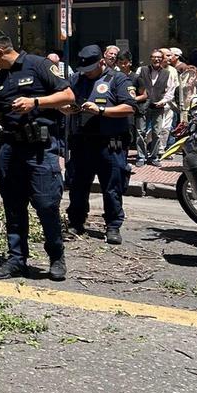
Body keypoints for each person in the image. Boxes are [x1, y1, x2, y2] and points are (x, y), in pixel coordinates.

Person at [0, 31, 74, 281]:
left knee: (46, 205)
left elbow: (68, 96)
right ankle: (16, 259)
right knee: (13, 206)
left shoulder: (39, 65)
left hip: (39, 149)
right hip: (9, 149)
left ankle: (56, 257)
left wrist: (35, 102)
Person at [62, 45, 138, 244]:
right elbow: (63, 97)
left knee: (112, 187)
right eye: (84, 70)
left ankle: (113, 226)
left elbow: (129, 108)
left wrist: (101, 110)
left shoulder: (118, 79)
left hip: (109, 144)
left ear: (102, 63)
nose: (86, 74)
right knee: (78, 186)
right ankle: (76, 222)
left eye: (90, 70)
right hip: (82, 143)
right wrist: (66, 108)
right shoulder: (77, 79)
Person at [135, 49, 175, 166]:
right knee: (140, 131)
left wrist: (163, 101)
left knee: (157, 132)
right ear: (150, 58)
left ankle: (154, 157)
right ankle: (141, 156)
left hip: (158, 106)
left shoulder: (167, 73)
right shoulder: (141, 70)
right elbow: (135, 84)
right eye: (154, 57)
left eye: (159, 57)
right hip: (142, 105)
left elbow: (170, 90)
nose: (156, 59)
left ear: (162, 59)